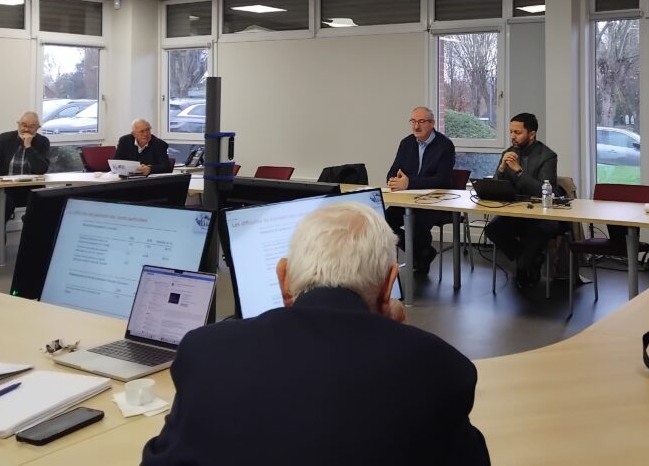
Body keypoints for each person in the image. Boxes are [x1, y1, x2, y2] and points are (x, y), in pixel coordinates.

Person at [141, 202, 490, 466]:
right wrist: (405, 341)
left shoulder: (206, 352)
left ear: (284, 279)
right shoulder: (441, 368)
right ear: (389, 286)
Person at [484, 113, 559, 289]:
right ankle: (527, 260)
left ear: (531, 134)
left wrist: (519, 172)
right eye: (511, 132)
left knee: (534, 233)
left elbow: (545, 191)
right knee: (493, 229)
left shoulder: (547, 156)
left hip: (542, 216)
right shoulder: (508, 153)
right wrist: (501, 169)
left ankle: (524, 267)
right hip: (516, 212)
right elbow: (495, 187)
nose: (512, 136)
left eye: (517, 132)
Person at [383, 106, 455, 275]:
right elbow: (393, 171)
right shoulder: (406, 143)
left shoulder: (445, 145)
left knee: (417, 224)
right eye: (413, 121)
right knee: (384, 223)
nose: (416, 126)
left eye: (422, 122)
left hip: (434, 201)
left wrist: (409, 183)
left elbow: (443, 180)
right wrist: (394, 180)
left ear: (432, 123)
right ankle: (423, 253)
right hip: (407, 200)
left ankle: (420, 254)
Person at [0, 111, 51, 219]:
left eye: (31, 126)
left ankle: (30, 227)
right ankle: (0, 229)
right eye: (24, 125)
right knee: (5, 205)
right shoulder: (4, 138)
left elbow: (41, 169)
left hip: (30, 187)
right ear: (18, 124)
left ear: (38, 128)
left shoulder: (43, 142)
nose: (26, 129)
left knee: (45, 204)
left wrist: (28, 146)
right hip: (5, 187)